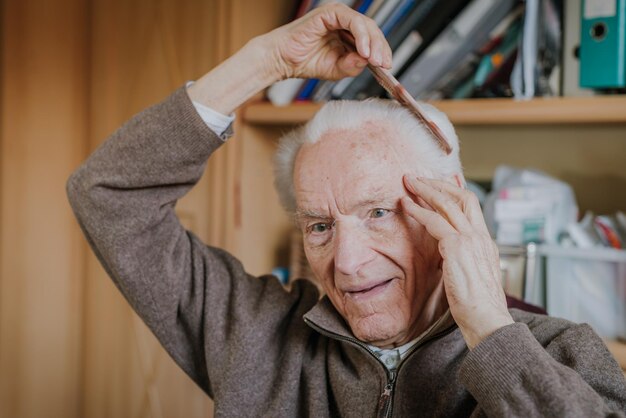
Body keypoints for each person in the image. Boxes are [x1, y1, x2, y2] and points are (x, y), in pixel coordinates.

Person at [67, 3, 626, 417]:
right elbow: (110, 195)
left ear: (451, 206)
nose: (348, 262)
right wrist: (267, 61)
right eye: (320, 225)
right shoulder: (256, 331)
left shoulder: (563, 353)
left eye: (379, 212)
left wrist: (489, 331)